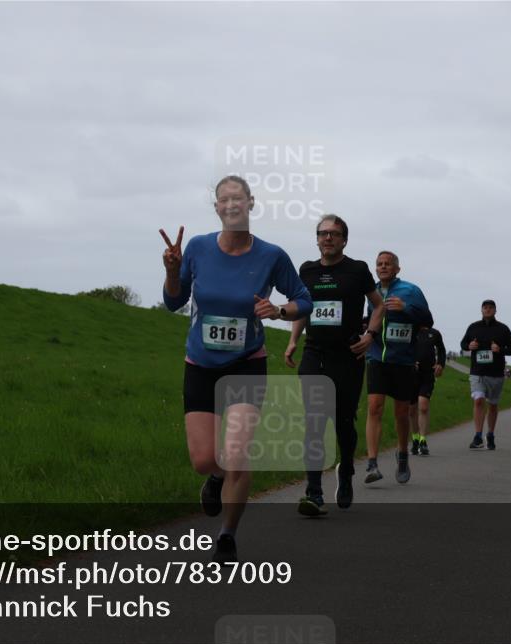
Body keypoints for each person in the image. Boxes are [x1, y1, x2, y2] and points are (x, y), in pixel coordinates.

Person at [161, 175, 312, 562]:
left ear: (250, 203)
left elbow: (303, 300)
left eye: (238, 198)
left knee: (238, 453)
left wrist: (279, 311)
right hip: (201, 364)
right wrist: (173, 271)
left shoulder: (271, 255)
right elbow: (173, 302)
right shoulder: (196, 248)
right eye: (224, 199)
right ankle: (214, 478)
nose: (231, 204)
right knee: (205, 460)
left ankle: (228, 534)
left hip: (246, 364)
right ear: (216, 208)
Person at [285, 214, 384, 516]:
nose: (328, 238)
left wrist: (370, 335)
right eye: (322, 233)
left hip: (348, 356)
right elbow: (303, 307)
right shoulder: (307, 270)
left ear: (344, 239)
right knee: (315, 422)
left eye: (334, 233)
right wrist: (293, 340)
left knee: (343, 422)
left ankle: (346, 472)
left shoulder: (357, 270)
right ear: (316, 239)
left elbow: (378, 304)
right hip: (315, 355)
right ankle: (314, 493)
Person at [365, 251, 431, 483]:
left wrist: (405, 308)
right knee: (374, 407)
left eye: (387, 264)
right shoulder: (370, 291)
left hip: (403, 360)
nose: (383, 267)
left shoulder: (411, 291)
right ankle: (372, 464)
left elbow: (427, 320)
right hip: (377, 358)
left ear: (397, 269)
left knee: (402, 413)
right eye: (379, 264)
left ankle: (403, 455)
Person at [460, 300, 511, 450]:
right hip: (477, 372)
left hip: (496, 373)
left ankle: (490, 434)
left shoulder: (503, 329)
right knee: (478, 401)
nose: (487, 310)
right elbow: (463, 344)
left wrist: (500, 349)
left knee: (492, 404)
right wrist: (469, 346)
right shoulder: (473, 327)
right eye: (485, 307)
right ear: (481, 310)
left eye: (491, 308)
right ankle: (478, 435)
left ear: (495, 311)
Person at [413, 314, 446, 456]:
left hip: (428, 373)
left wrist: (440, 364)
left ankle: (423, 440)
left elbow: (442, 350)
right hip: (411, 373)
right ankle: (414, 439)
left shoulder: (435, 333)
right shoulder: (411, 331)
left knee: (423, 406)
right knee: (411, 409)